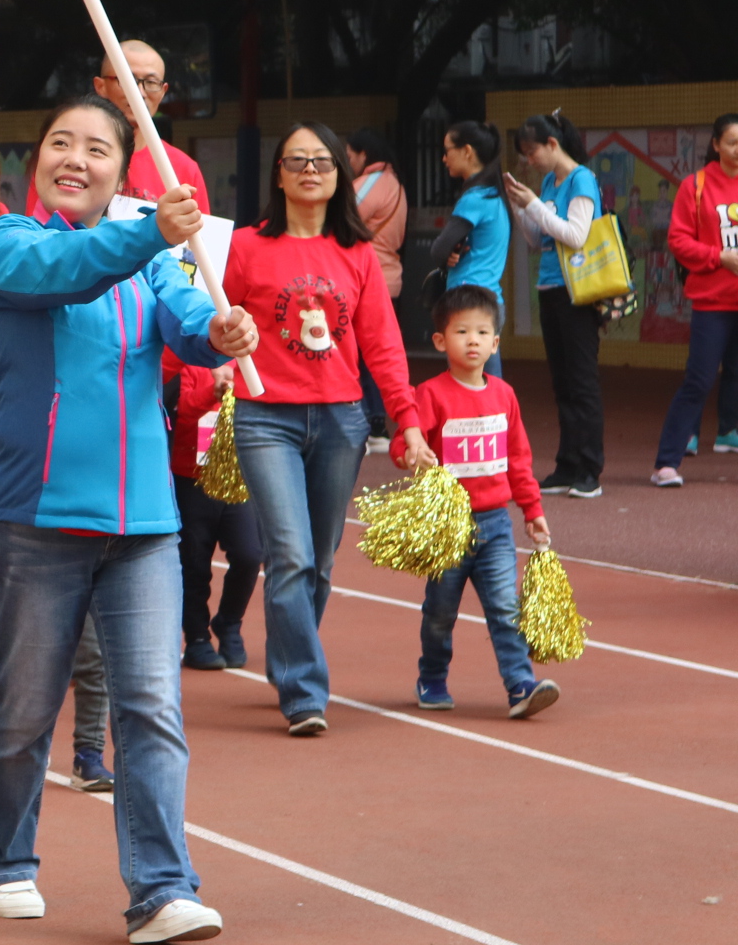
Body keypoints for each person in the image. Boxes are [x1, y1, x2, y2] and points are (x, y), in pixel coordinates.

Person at [0, 94, 252, 939]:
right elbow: (74, 270)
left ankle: (163, 889)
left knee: (151, 706)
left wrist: (222, 328)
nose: (76, 159)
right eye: (61, 142)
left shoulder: (158, 258)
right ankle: (1, 858)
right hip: (36, 519)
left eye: (97, 149)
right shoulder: (6, 246)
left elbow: (189, 320)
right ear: (35, 162)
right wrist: (147, 232)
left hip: (144, 528)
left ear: (122, 172)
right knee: (25, 709)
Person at [223, 123, 419, 735]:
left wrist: (407, 419)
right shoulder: (245, 247)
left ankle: (287, 658)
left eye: (323, 161)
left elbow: (383, 346)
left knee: (322, 562)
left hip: (341, 420)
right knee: (290, 554)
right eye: (297, 160)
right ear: (278, 173)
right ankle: (305, 692)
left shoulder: (357, 254)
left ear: (340, 176)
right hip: (265, 417)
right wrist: (210, 373)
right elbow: (210, 322)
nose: (310, 170)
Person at [397, 285, 560, 718]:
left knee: (506, 608)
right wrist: (410, 453)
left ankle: (520, 684)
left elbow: (519, 460)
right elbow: (403, 442)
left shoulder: (504, 395)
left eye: (482, 332)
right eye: (461, 331)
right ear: (439, 341)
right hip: (447, 530)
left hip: (495, 526)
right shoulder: (430, 394)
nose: (472, 340)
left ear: (495, 343)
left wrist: (533, 510)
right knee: (440, 613)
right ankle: (432, 676)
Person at [506, 112, 606, 499]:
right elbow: (537, 239)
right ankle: (567, 465)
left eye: (532, 152)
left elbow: (575, 235)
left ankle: (589, 469)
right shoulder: (550, 181)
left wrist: (535, 204)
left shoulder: (582, 179)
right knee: (562, 382)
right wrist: (522, 205)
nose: (530, 161)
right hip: (550, 286)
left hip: (577, 291)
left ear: (552, 144)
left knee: (582, 381)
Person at [656, 114, 738, 481]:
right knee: (700, 379)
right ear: (716, 145)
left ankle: (726, 433)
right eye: (733, 142)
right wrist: (719, 257)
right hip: (713, 302)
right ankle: (667, 462)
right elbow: (678, 240)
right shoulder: (697, 185)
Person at [168, 361, 257, 671]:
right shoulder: (188, 364)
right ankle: (196, 638)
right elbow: (182, 410)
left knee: (249, 554)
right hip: (191, 477)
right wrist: (213, 390)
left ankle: (229, 623)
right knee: (193, 562)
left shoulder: (248, 364)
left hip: (237, 477)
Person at [344, 128, 407, 450]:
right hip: (390, 275)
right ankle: (378, 422)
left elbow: (340, 215)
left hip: (368, 277)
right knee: (378, 351)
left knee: (360, 353)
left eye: (350, 155)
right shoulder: (395, 184)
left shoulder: (371, 183)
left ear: (363, 155)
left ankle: (373, 422)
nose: (347, 161)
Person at [94, 39, 211, 210]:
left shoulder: (182, 168)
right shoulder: (73, 159)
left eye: (151, 82)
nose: (139, 93)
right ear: (100, 86)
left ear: (163, 92)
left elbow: (199, 235)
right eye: (127, 80)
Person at [430, 121, 511, 337]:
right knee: (486, 371)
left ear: (467, 151)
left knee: (469, 371)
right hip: (489, 299)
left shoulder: (475, 198)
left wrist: (446, 254)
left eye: (447, 151)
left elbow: (439, 250)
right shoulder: (494, 195)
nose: (444, 158)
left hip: (469, 301)